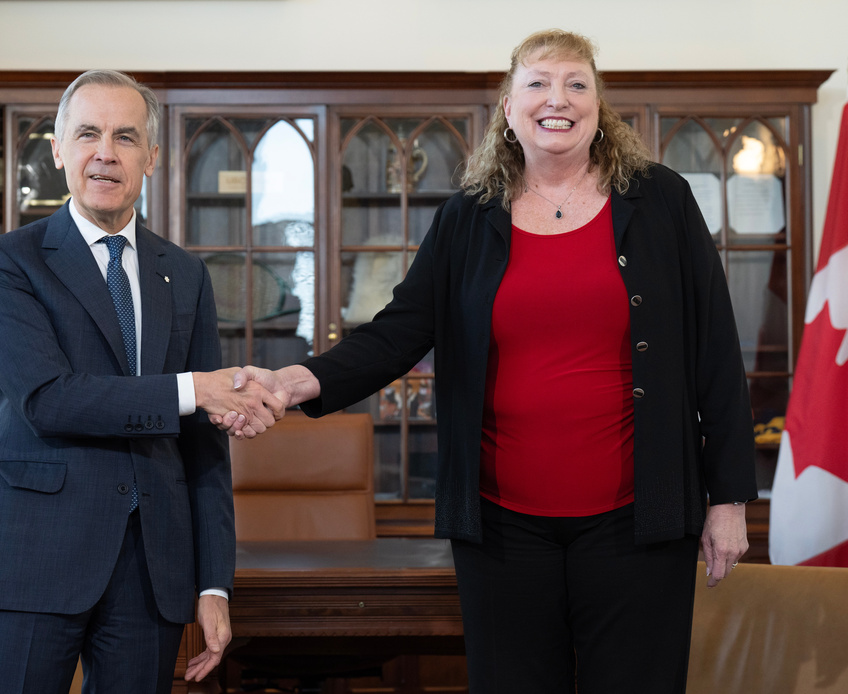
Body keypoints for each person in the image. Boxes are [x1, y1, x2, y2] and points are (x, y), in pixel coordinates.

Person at [216, 30, 758, 694]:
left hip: (638, 526)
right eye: (537, 83)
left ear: (598, 106)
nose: (556, 99)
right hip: (503, 531)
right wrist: (292, 380)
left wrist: (728, 497)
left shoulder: (662, 202)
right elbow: (395, 335)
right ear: (509, 108)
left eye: (576, 84)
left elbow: (716, 352)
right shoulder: (466, 219)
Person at [0, 69, 285, 693]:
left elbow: (204, 444)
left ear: (152, 156)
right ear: (57, 150)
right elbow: (49, 398)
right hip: (29, 560)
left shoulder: (184, 273)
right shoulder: (3, 263)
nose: (105, 152)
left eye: (126, 137)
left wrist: (213, 583)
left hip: (150, 572)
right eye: (88, 133)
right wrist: (194, 389)